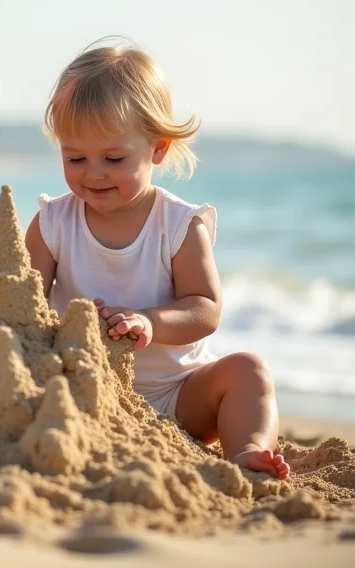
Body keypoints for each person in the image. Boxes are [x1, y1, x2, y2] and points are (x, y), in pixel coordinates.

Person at [25, 41, 289, 479]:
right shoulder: (54, 221)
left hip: (176, 397)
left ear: (159, 148)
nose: (93, 172)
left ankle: (248, 453)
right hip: (82, 392)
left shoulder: (179, 225)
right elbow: (21, 303)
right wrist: (66, 325)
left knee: (249, 371)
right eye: (75, 158)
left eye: (113, 158)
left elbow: (204, 308)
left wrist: (148, 322)